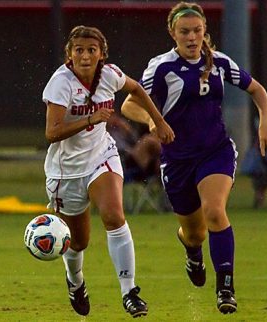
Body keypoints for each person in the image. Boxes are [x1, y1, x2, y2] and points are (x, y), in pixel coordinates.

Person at [121, 2, 267, 314]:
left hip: (215, 151)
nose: (192, 37)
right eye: (185, 32)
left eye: (197, 31)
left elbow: (257, 90)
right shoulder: (161, 67)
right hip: (178, 159)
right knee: (194, 232)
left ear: (205, 30)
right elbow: (129, 104)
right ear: (173, 33)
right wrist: (152, 120)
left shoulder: (219, 62)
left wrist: (266, 121)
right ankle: (192, 251)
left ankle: (225, 287)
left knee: (214, 211)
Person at [42, 25, 174, 317]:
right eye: (79, 50)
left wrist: (158, 121)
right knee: (78, 242)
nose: (85, 56)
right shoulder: (60, 83)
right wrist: (90, 118)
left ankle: (129, 292)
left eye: (92, 50)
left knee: (114, 216)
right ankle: (75, 282)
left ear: (102, 54)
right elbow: (51, 133)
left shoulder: (110, 74)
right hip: (66, 171)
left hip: (102, 157)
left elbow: (137, 88)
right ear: (69, 55)